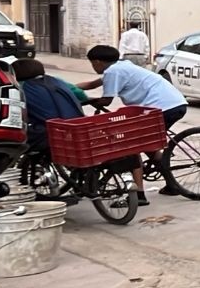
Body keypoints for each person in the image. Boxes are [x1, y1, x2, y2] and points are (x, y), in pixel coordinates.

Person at [77, 44, 188, 204]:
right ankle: (172, 184)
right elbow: (92, 84)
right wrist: (67, 88)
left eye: (92, 63)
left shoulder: (113, 71)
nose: (93, 66)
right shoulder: (122, 66)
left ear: (98, 62)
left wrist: (84, 101)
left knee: (132, 146)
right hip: (174, 103)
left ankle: (139, 195)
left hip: (161, 107)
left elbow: (107, 100)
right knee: (149, 146)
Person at [10, 59, 83, 158]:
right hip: (76, 127)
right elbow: (81, 94)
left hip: (49, 134)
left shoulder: (20, 88)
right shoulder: (57, 80)